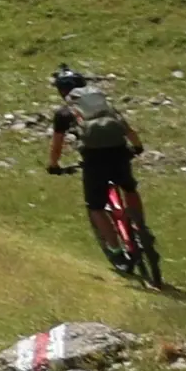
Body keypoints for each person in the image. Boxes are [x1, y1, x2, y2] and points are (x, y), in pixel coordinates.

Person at [44, 65, 149, 272]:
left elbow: (57, 145)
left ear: (62, 91)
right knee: (129, 188)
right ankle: (140, 227)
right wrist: (137, 147)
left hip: (94, 159)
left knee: (96, 207)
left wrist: (54, 166)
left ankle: (117, 252)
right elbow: (128, 129)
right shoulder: (104, 105)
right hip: (119, 152)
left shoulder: (65, 112)